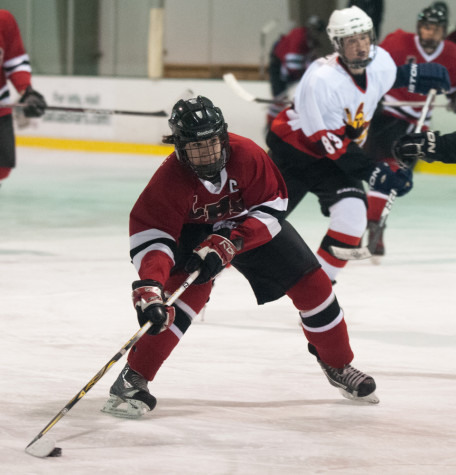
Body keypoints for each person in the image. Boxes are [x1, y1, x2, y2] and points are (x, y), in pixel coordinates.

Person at [102, 96, 379, 419]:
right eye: (195, 147)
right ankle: (132, 378)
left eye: (212, 144)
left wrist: (232, 241)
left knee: (312, 284)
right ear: (178, 146)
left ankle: (337, 363)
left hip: (245, 225)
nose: (206, 154)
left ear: (223, 136)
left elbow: (274, 207)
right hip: (194, 233)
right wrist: (151, 284)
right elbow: (152, 235)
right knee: (181, 300)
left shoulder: (247, 154)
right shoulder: (170, 179)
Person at [266, 5, 450, 283]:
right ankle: (205, 274)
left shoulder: (381, 60)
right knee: (256, 226)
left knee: (352, 218)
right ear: (338, 44)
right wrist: (377, 173)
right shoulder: (322, 80)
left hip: (331, 160)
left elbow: (386, 76)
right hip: (295, 155)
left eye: (365, 37)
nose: (361, 47)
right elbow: (335, 145)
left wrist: (413, 76)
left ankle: (317, 290)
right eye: (352, 41)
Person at [363, 3, 456, 256]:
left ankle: (376, 223)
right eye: (426, 27)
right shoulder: (398, 42)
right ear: (419, 27)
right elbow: (372, 70)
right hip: (389, 116)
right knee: (385, 170)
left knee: (396, 179)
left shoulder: (451, 53)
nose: (429, 33)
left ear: (443, 31)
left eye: (435, 29)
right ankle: (374, 226)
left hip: (419, 124)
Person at [0, 9, 46, 185]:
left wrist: (27, 91)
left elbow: (15, 60)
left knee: (2, 169)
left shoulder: (4, 20)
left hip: (0, 113)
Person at [266, 16, 325, 129]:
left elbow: (309, 63)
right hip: (278, 66)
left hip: (289, 72)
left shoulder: (311, 41)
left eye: (318, 31)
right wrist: (305, 75)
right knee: (279, 100)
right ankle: (271, 126)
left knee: (286, 100)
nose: (315, 33)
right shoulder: (299, 35)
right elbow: (292, 64)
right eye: (314, 29)